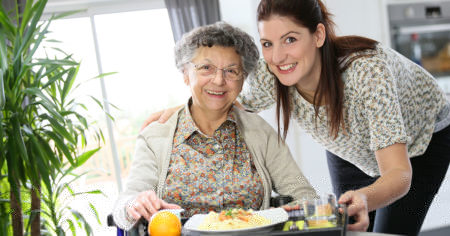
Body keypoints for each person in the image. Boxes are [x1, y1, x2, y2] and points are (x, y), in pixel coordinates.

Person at [142, 0, 450, 235]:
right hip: (347, 144)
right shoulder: (270, 72)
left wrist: (366, 198)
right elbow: (231, 102)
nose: (278, 57)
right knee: (342, 228)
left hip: (421, 142)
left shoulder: (367, 72)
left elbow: (398, 173)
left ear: (318, 35)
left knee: (386, 232)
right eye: (267, 44)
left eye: (290, 39)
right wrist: (180, 112)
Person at [112, 21, 317, 231]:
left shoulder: (260, 132)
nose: (219, 80)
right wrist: (133, 204)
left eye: (231, 71)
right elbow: (123, 207)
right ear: (185, 73)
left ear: (243, 78)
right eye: (206, 68)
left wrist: (282, 218)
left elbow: (304, 195)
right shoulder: (156, 137)